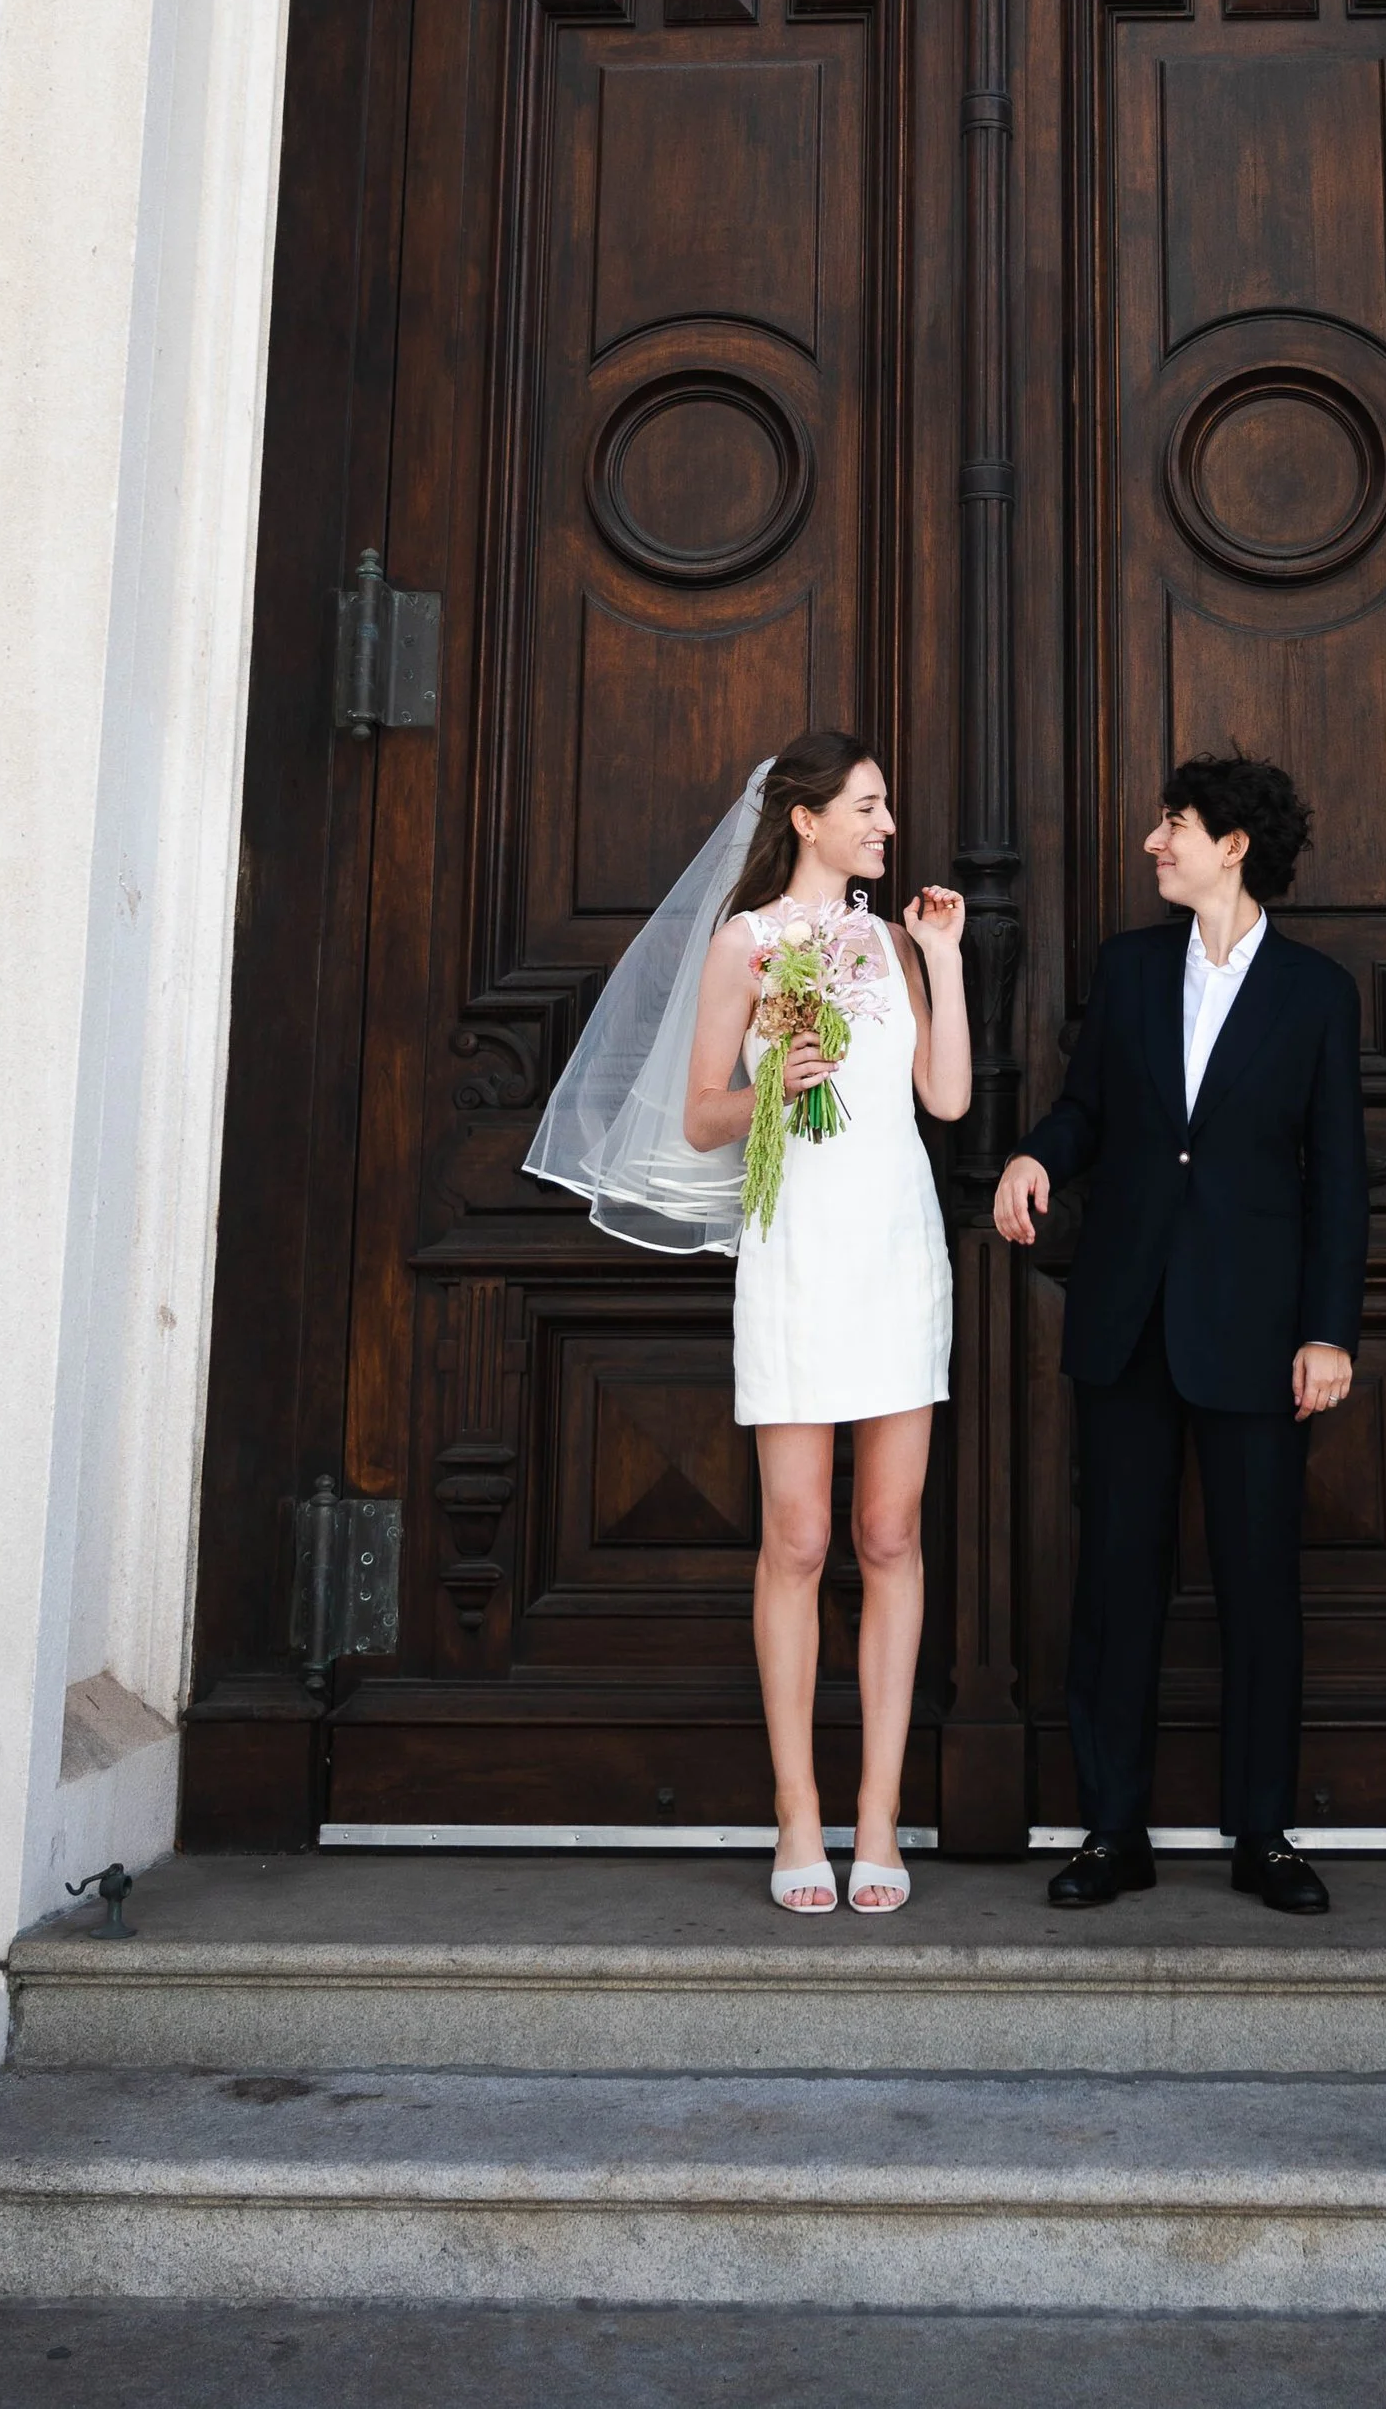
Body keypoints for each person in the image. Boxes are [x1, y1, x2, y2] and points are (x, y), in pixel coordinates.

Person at [526, 732, 968, 1919]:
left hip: (896, 1251)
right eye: (868, 804)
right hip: (797, 1251)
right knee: (798, 1535)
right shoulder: (746, 942)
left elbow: (947, 1097)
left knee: (887, 1532)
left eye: (885, 803)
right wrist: (776, 1077)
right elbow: (703, 1116)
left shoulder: (887, 939)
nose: (887, 821)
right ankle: (797, 1811)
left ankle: (877, 1811)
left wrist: (942, 956)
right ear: (808, 817)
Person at [994, 750, 1367, 1916]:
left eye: (1176, 823)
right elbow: (1088, 1108)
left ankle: (1263, 1832)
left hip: (1257, 1335)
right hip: (1127, 1320)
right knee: (1116, 1579)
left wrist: (1329, 1331)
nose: (1156, 842)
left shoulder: (1316, 993)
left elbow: (1338, 1180)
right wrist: (1036, 1154)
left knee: (1259, 1585)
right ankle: (1115, 1828)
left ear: (1234, 844)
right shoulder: (1129, 967)